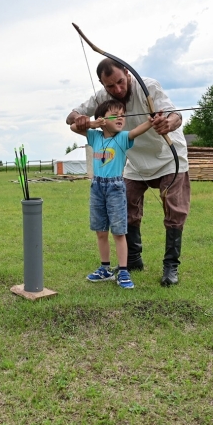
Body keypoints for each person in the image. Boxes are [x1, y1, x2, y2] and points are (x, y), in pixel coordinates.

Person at [67, 58, 190, 286]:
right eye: (110, 86)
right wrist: (82, 120)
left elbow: (176, 116)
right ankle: (133, 260)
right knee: (127, 206)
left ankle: (170, 267)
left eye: (120, 82)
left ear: (127, 73)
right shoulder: (103, 97)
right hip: (133, 160)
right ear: (103, 85)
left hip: (167, 156)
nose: (117, 89)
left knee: (174, 209)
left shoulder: (149, 86)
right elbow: (71, 117)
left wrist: (168, 123)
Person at [70, 99, 155, 289]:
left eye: (123, 115)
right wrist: (92, 123)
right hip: (97, 187)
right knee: (101, 231)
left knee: (118, 231)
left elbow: (137, 131)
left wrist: (150, 122)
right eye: (115, 115)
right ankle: (105, 269)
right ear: (102, 119)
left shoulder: (124, 137)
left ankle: (123, 271)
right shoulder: (94, 136)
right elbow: (74, 127)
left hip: (115, 187)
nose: (121, 118)